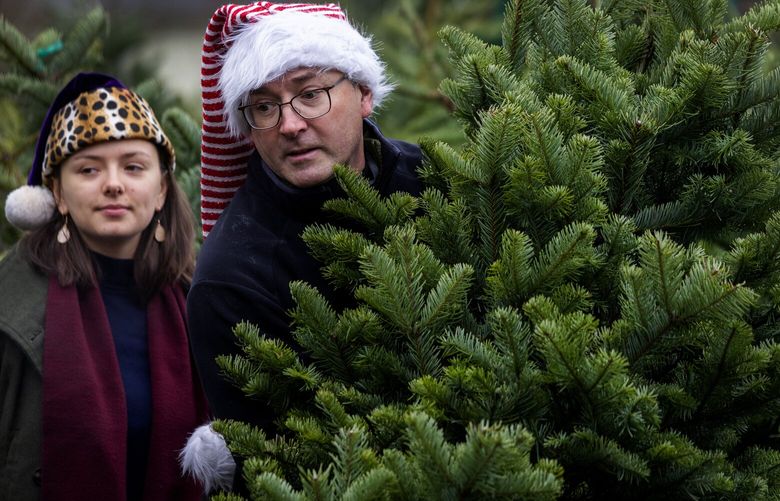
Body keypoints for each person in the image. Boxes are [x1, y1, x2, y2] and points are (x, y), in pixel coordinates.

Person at [186, 2, 424, 431]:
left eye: (310, 94)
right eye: (264, 107)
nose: (290, 125)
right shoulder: (231, 277)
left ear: (364, 93)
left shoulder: (435, 180)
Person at [0, 72, 208, 500]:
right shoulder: (9, 311)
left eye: (133, 166)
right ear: (57, 193)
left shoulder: (201, 305)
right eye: (89, 169)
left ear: (162, 189)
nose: (113, 183)